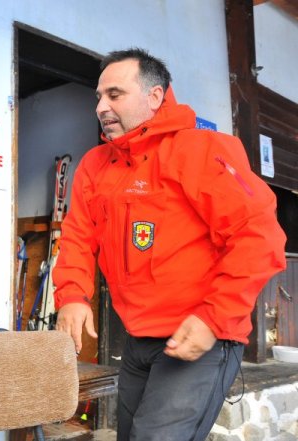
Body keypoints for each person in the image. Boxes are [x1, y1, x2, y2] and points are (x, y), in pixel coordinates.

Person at [52, 48, 286, 440]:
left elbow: (258, 235)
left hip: (199, 338)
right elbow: (78, 235)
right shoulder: (94, 165)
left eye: (115, 94)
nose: (101, 107)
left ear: (155, 96)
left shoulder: (202, 150)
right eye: (98, 97)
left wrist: (214, 318)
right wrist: (72, 294)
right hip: (138, 340)